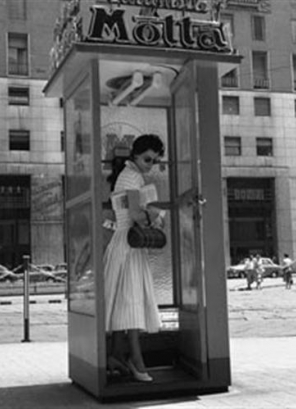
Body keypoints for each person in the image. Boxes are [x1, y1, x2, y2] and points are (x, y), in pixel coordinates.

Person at [103, 134, 166, 383]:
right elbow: (137, 215)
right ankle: (135, 359)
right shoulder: (132, 177)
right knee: (131, 301)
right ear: (135, 155)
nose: (151, 164)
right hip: (129, 244)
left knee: (125, 301)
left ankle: (117, 355)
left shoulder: (128, 175)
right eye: (148, 159)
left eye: (155, 160)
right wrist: (157, 215)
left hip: (125, 243)